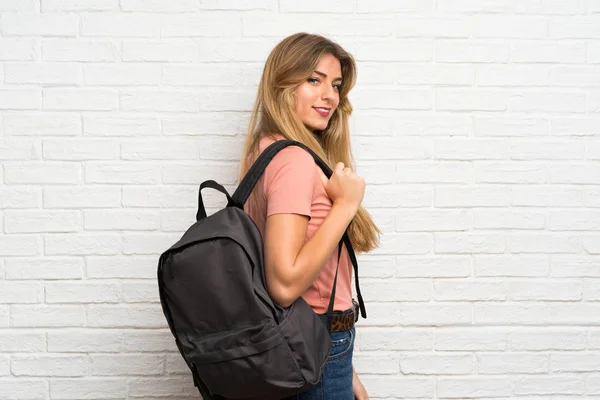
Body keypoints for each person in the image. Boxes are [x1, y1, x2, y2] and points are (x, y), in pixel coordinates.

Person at [238, 32, 381, 400]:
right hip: (318, 344)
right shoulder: (294, 161)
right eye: (313, 80)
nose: (330, 95)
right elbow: (284, 286)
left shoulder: (265, 150)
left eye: (335, 85)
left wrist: (345, 370)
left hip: (312, 345)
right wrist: (346, 205)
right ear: (282, 84)